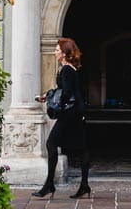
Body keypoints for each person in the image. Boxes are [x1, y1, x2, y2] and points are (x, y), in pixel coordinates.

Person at [32, 37, 91, 200]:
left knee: (51, 143)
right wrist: (48, 96)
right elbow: (63, 89)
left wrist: (55, 106)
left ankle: (49, 184)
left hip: (70, 113)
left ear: (64, 53)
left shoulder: (66, 70)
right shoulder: (69, 68)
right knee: (82, 148)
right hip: (77, 111)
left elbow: (66, 93)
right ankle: (84, 185)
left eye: (57, 50)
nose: (55, 52)